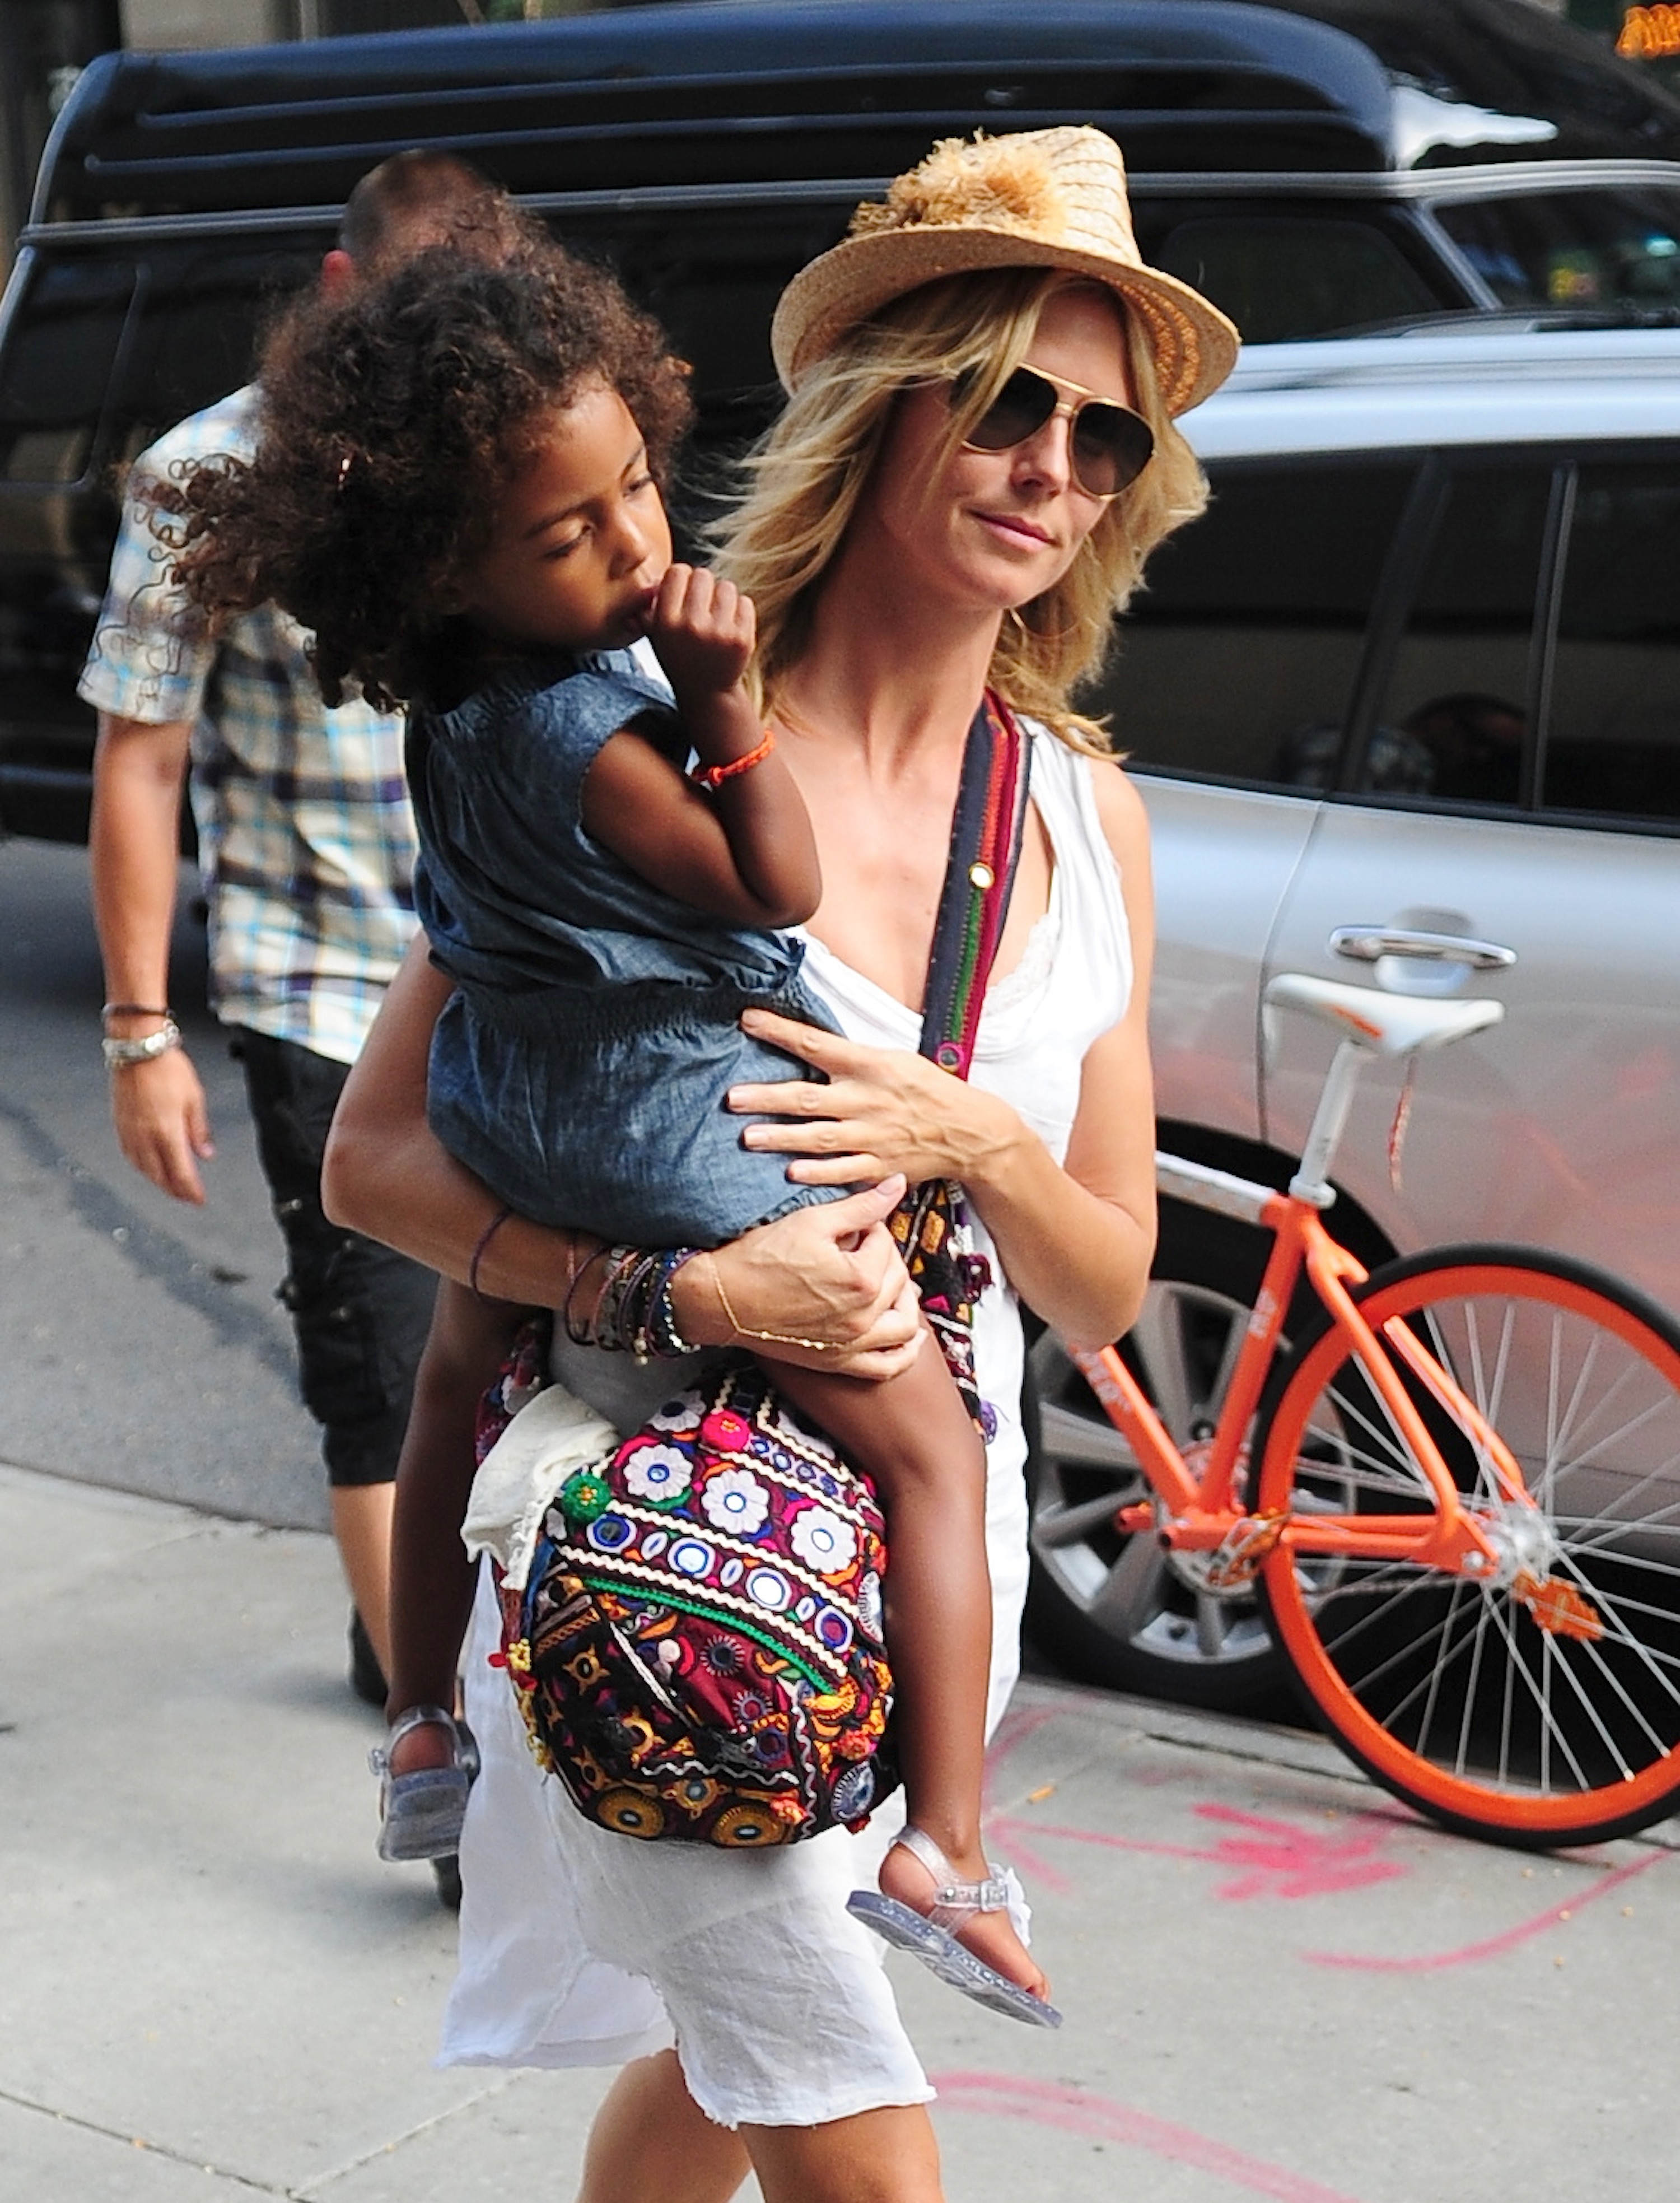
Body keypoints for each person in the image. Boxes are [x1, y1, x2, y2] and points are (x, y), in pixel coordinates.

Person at [324, 124, 1236, 2203]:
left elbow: (1107, 1294)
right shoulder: (640, 745)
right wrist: (666, 1291)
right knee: (841, 2108)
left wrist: (977, 1137)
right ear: (878, 413)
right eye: (1008, 402)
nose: (1053, 468)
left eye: (1104, 441)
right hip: (660, 1557)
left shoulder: (1089, 829)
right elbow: (380, 1161)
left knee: (725, 2078)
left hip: (921, 1557)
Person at [168, 234, 1050, 2011]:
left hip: (510, 1109)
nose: (638, 545)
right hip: (666, 1132)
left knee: (442, 1383)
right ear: (452, 563)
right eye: (571, 535)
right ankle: (948, 1847)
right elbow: (769, 884)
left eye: (637, 487)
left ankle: (421, 1729)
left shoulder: (456, 705)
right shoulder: (599, 733)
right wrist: (726, 707)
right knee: (934, 1455)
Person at [80, 152, 531, 1728]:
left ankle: (404, 1627)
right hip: (321, 988)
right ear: (341, 291)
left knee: (515, 1362)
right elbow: (140, 761)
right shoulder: (207, 476)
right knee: (389, 1370)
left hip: (512, 986)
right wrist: (144, 1034)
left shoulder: (510, 446)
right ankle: (447, 1748)